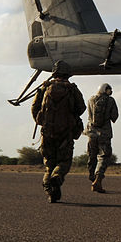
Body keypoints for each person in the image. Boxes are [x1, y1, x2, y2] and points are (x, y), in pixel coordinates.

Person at [31, 60, 86, 203]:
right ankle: (56, 177)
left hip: (47, 132)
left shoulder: (44, 89)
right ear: (68, 74)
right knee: (64, 162)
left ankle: (50, 189)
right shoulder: (72, 89)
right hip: (66, 133)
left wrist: (42, 121)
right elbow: (81, 108)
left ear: (54, 73)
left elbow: (34, 108)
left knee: (49, 163)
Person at [85, 83, 119, 193]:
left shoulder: (90, 99)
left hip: (91, 133)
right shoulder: (110, 101)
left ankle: (92, 177)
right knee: (104, 156)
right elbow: (114, 116)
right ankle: (98, 180)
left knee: (92, 155)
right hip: (104, 133)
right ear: (106, 90)